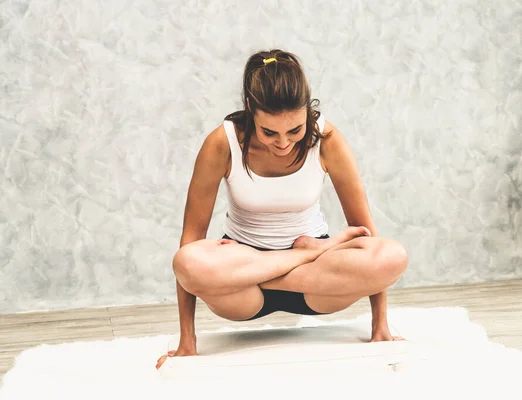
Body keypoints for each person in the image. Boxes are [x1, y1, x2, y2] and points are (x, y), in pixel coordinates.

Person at [155, 50, 408, 370]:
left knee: (391, 255)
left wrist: (380, 327)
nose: (284, 143)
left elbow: (367, 233)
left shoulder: (329, 141)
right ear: (251, 109)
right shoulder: (222, 143)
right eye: (269, 132)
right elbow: (191, 238)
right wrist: (187, 343)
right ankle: (300, 255)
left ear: (307, 112)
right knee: (188, 261)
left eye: (295, 131)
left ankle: (297, 261)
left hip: (317, 283)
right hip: (243, 284)